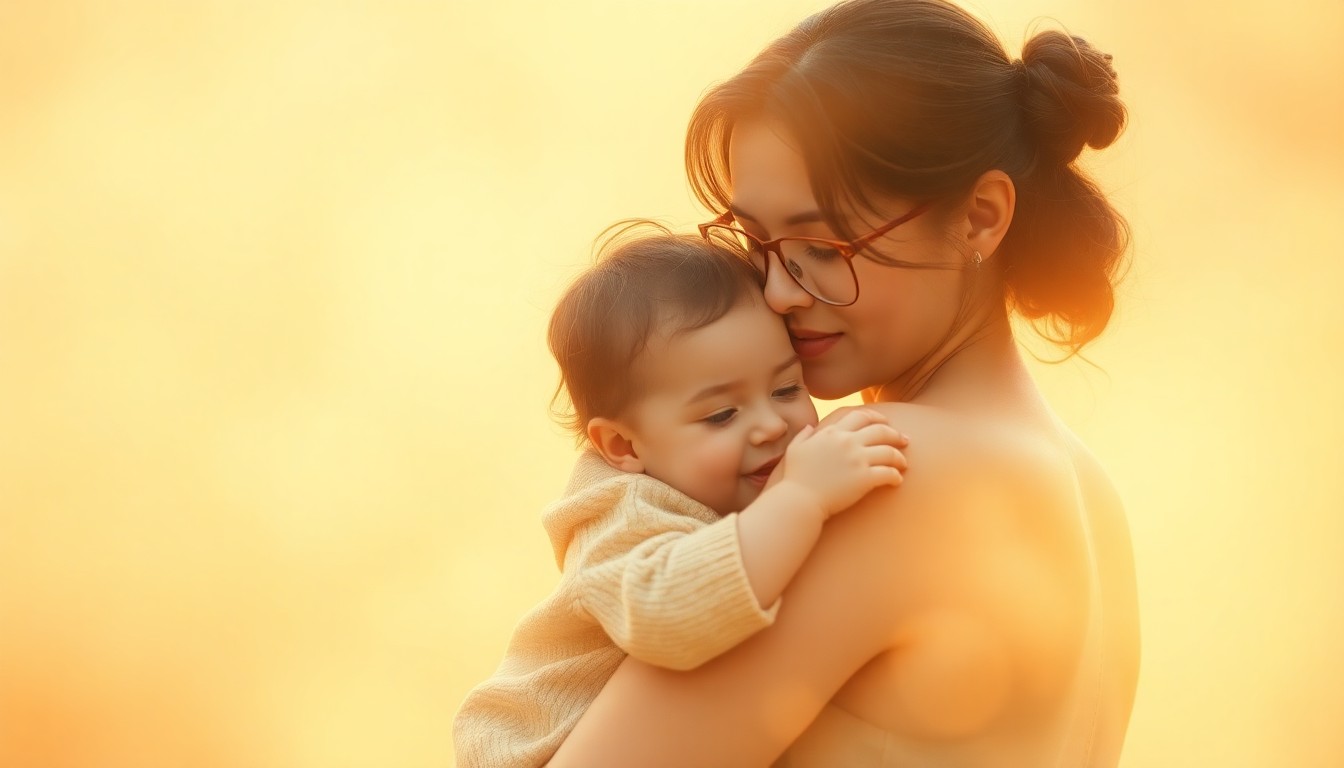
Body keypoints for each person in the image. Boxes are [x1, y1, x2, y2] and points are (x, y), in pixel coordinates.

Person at [546, 0, 1141, 766]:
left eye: (822, 245)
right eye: (757, 243)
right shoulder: (1090, 493)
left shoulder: (886, 472)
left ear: (981, 218)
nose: (780, 289)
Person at [451, 228, 909, 768]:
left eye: (787, 389)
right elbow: (673, 614)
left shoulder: (702, 478)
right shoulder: (624, 515)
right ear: (623, 445)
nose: (769, 425)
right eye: (721, 415)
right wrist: (801, 498)